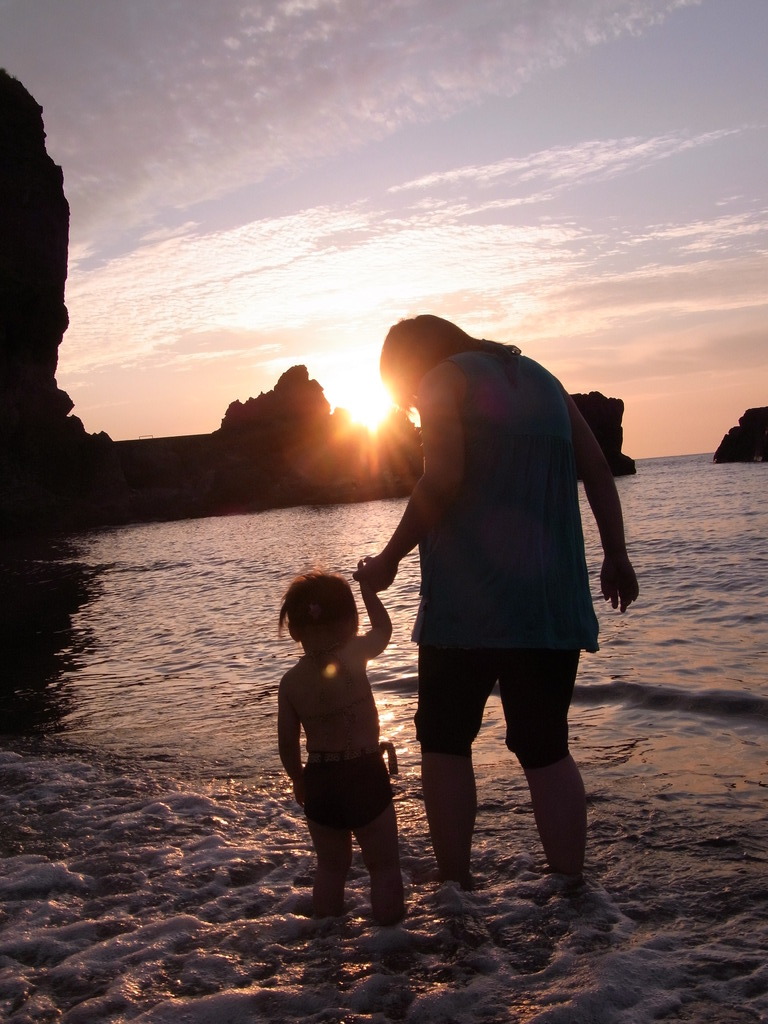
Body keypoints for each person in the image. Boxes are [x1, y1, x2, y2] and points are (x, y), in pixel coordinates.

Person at [355, 314, 639, 888]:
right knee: (545, 748)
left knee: (444, 741)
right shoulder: (544, 379)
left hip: (467, 608)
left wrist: (387, 560)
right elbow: (598, 471)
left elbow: (442, 479)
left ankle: (456, 891)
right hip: (550, 607)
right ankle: (570, 893)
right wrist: (617, 554)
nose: (409, 397)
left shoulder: (442, 380)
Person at [277, 569, 405, 925]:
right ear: (351, 623)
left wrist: (298, 778)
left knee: (331, 867)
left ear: (294, 630)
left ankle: (326, 936)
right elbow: (384, 631)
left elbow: (287, 742)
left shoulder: (290, 683)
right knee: (383, 866)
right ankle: (392, 936)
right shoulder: (355, 652)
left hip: (320, 778)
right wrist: (369, 591)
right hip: (363, 771)